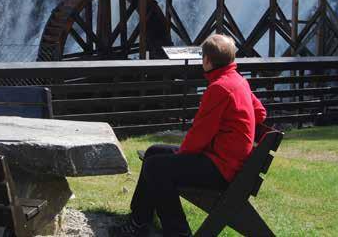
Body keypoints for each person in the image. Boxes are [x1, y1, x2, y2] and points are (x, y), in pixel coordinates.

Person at [110, 34, 267, 237]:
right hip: (228, 161)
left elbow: (200, 134)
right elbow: (261, 113)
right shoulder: (238, 81)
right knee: (153, 152)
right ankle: (139, 221)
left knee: (156, 167)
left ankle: (177, 232)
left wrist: (182, 155)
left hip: (221, 168)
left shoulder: (220, 88)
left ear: (208, 61)